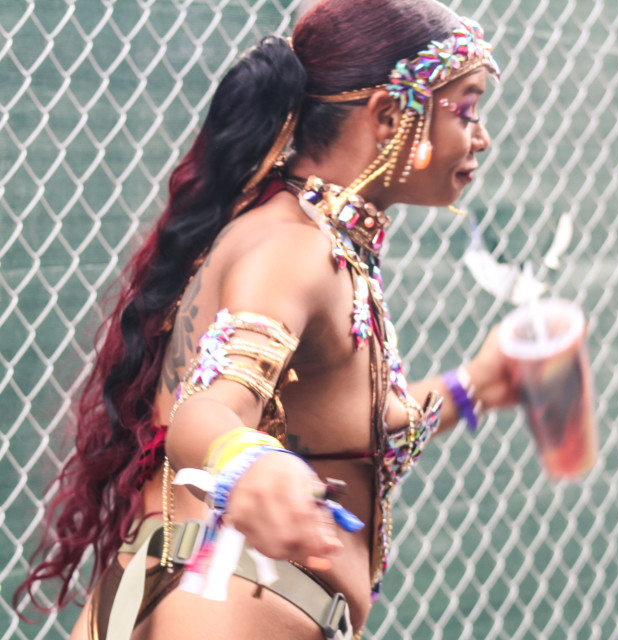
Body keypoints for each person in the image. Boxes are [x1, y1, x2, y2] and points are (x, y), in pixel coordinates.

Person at [17, 0, 520, 638]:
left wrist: (478, 385)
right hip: (222, 607)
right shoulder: (295, 249)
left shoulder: (312, 239)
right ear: (390, 116)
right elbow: (206, 411)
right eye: (467, 109)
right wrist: (247, 463)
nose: (482, 137)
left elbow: (355, 429)